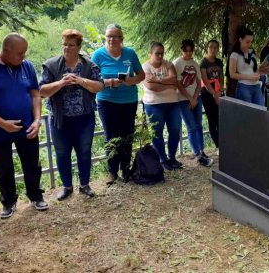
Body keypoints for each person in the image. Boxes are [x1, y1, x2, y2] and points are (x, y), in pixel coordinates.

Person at [0, 33, 47, 219]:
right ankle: (8, 202)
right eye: (20, 53)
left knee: (32, 164)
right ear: (6, 50)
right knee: (2, 168)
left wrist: (37, 120)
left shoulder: (27, 66)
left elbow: (36, 95)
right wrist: (2, 123)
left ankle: (35, 196)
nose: (24, 57)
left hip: (27, 126)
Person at [39, 29, 104, 201]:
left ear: (79, 46)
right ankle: (67, 186)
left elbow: (99, 86)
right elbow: (41, 91)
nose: (67, 48)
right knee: (62, 152)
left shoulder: (89, 66)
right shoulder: (51, 65)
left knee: (84, 151)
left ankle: (85, 185)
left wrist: (80, 80)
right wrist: (61, 83)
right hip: (59, 119)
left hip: (85, 117)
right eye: (64, 44)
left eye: (71, 45)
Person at [92, 24, 145, 185]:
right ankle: (112, 171)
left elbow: (141, 74)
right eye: (109, 36)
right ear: (105, 37)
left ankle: (126, 169)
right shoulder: (98, 55)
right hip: (107, 101)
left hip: (128, 100)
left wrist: (132, 81)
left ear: (122, 38)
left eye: (116, 36)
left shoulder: (130, 53)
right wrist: (108, 82)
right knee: (111, 135)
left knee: (127, 135)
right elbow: (92, 80)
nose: (112, 39)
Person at [142, 41, 182, 171]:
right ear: (151, 53)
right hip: (154, 104)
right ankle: (163, 159)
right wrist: (168, 84)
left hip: (173, 103)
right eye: (157, 53)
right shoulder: (145, 67)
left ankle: (172, 157)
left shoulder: (169, 64)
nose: (160, 56)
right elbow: (151, 87)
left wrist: (157, 79)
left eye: (162, 53)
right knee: (157, 133)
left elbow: (174, 80)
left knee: (175, 131)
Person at [175, 40, 213, 167]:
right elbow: (178, 84)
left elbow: (198, 83)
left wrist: (195, 98)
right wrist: (190, 99)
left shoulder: (195, 64)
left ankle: (202, 151)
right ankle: (198, 156)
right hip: (183, 99)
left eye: (191, 50)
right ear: (181, 50)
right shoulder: (177, 64)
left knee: (199, 126)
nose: (189, 53)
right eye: (186, 50)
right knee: (191, 127)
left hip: (196, 97)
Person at [200, 40, 224, 155]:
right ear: (207, 48)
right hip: (207, 92)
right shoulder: (203, 62)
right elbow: (204, 80)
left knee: (220, 119)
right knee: (212, 120)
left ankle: (223, 143)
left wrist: (220, 90)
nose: (213, 50)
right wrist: (213, 93)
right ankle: (218, 146)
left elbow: (221, 76)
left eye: (215, 47)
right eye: (210, 47)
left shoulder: (219, 61)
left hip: (218, 91)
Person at [229, 27, 263, 106]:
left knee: (261, 112)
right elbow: (232, 74)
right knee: (247, 115)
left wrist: (257, 74)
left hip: (256, 86)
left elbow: (254, 68)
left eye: (251, 42)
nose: (250, 44)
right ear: (240, 39)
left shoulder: (251, 52)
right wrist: (250, 77)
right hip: (244, 87)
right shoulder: (235, 54)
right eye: (247, 42)